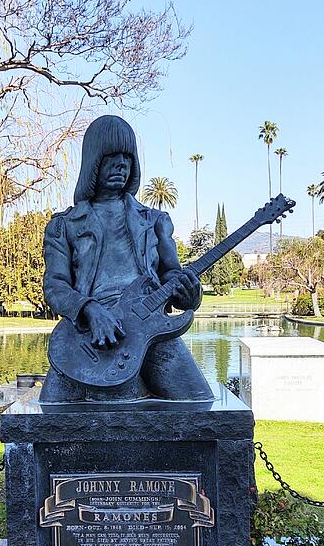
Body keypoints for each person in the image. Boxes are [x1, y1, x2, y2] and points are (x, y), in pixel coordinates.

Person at [40, 115, 213, 402]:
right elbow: (55, 287)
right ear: (94, 161)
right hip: (87, 337)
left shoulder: (155, 221)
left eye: (128, 157)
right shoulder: (64, 225)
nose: (122, 163)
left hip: (151, 329)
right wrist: (90, 310)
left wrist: (190, 294)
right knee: (48, 418)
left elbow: (172, 276)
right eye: (111, 156)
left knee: (199, 402)